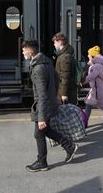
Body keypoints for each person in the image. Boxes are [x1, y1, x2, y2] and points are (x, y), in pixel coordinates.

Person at [22, 39, 78, 172]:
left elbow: (41, 94)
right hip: (49, 103)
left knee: (38, 134)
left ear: (30, 50)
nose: (23, 52)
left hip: (43, 106)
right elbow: (56, 79)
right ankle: (69, 146)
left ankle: (42, 162)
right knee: (44, 131)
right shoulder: (46, 61)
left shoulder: (38, 68)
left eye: (24, 49)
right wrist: (54, 96)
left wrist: (41, 117)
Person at [52, 33, 78, 105]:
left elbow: (65, 77)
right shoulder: (64, 55)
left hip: (65, 92)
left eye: (55, 42)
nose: (54, 44)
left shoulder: (65, 57)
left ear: (60, 42)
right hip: (66, 90)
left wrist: (64, 94)